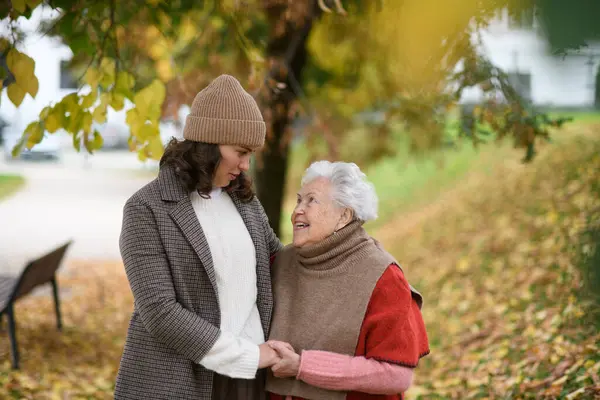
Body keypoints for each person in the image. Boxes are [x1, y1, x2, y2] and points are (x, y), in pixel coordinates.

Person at [114, 74, 283, 400]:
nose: (246, 165)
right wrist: (248, 356)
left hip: (249, 383)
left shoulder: (244, 202)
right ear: (209, 143)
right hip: (180, 381)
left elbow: (279, 261)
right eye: (240, 151)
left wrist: (353, 257)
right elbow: (160, 313)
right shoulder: (146, 209)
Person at [265, 161, 430, 400]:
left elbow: (397, 376)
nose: (297, 211)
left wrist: (304, 366)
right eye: (299, 200)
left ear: (344, 216)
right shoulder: (281, 263)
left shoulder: (382, 276)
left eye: (312, 201)